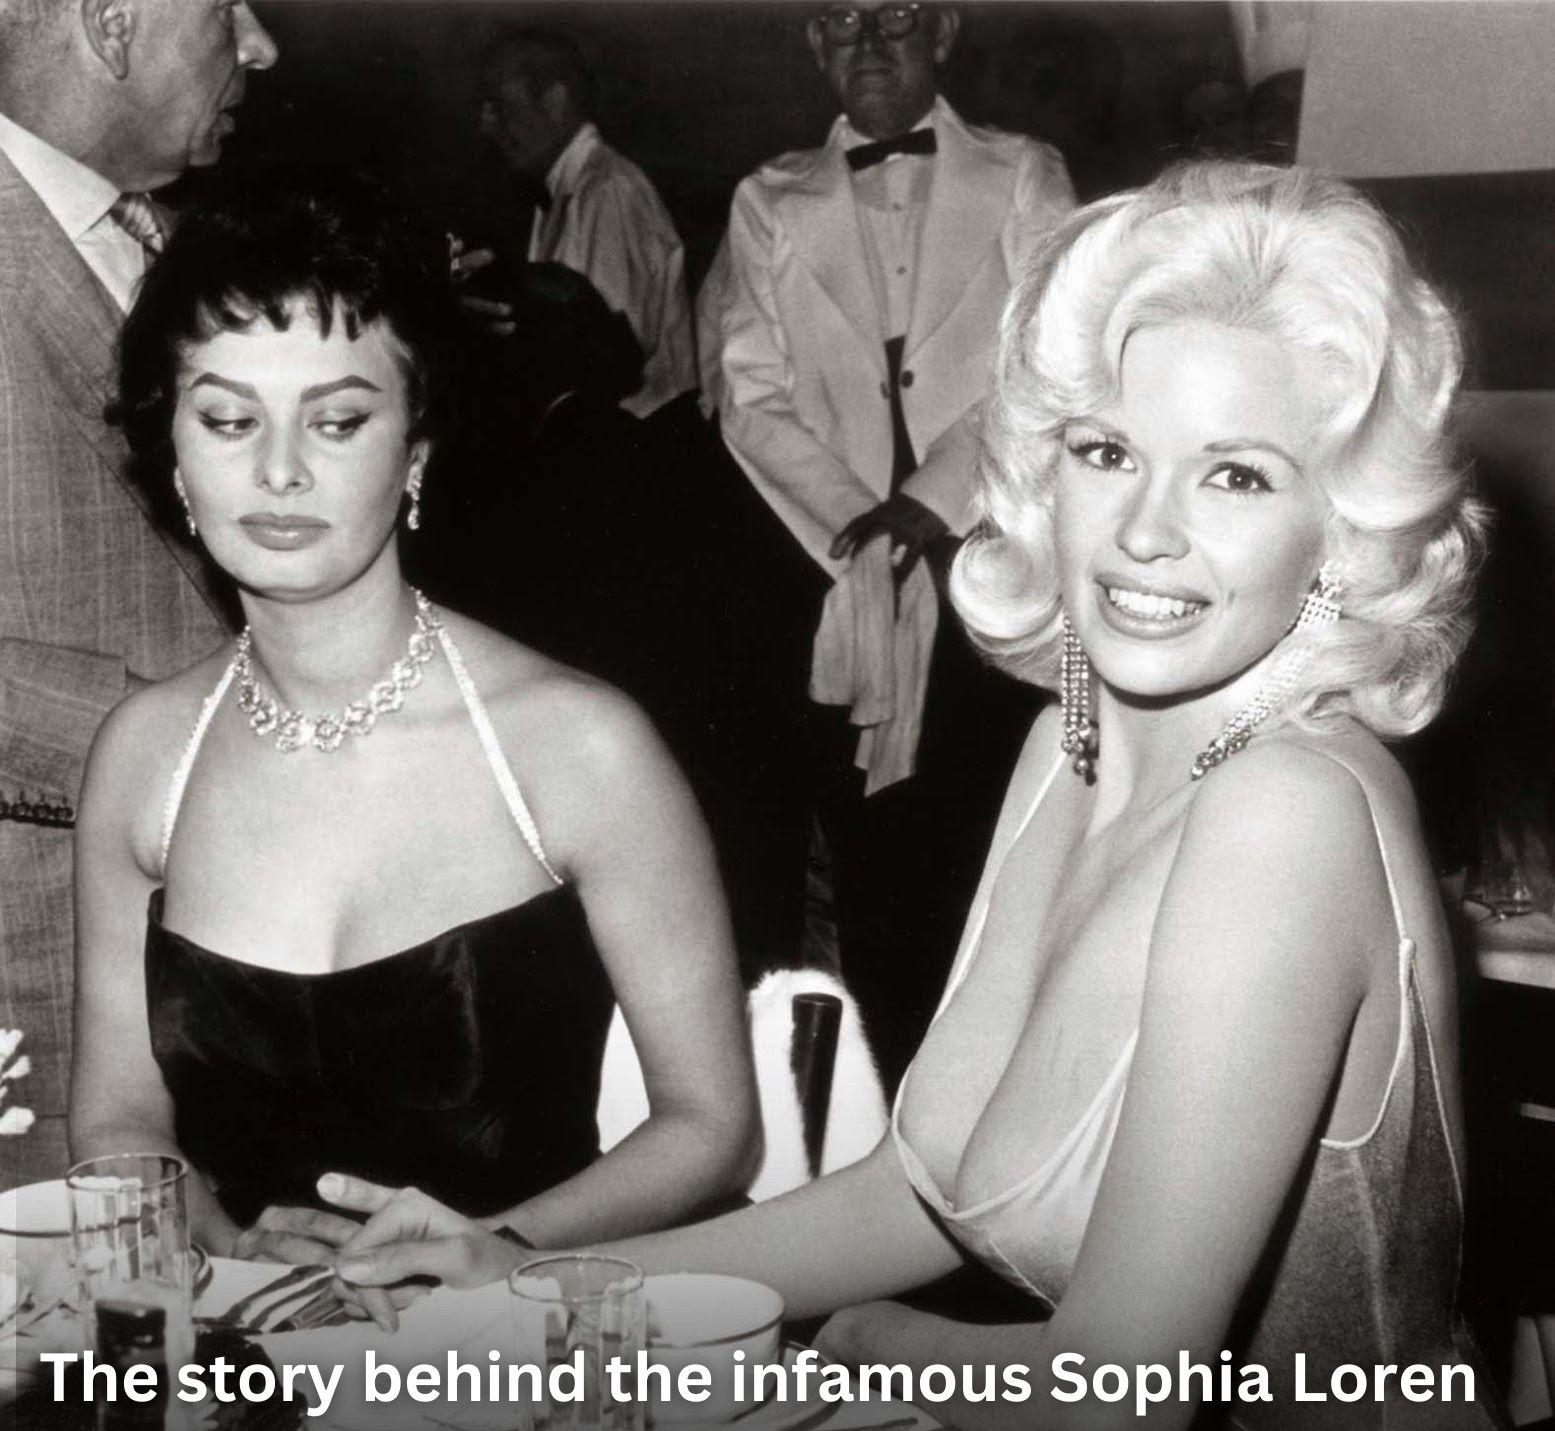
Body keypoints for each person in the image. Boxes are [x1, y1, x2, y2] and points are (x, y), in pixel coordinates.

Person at [324, 162, 1548, 1431]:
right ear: (1038, 470)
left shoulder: (1286, 810)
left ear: (1339, 530)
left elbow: (1105, 1414)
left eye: (1236, 475)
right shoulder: (1069, 747)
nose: (1146, 531)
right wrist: (536, 1282)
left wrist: (861, 1345)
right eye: (1106, 452)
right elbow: (920, 1192)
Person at [67, 166, 759, 1270]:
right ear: (175, 457)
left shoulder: (575, 744)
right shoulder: (143, 755)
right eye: (229, 419)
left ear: (417, 450)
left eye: (338, 421)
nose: (279, 470)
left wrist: (496, 1248)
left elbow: (711, 1128)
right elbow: (117, 1118)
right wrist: (225, 1249)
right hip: (239, 1342)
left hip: (511, 1342)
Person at [700, 2, 1076, 1087]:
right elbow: (748, 393)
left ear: (945, 32)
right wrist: (857, 524)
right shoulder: (768, 198)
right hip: (830, 564)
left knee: (990, 846)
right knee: (864, 863)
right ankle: (889, 1110)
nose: (868, 44)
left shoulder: (1021, 174)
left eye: (896, 16)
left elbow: (1053, 358)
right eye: (841, 20)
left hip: (988, 558)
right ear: (813, 44)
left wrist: (931, 502)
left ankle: (999, 1097)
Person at [0, 0, 278, 1184]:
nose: (261, 45)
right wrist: (184, 744)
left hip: (208, 959)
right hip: (36, 963)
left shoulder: (163, 239)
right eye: (228, 7)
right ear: (113, 27)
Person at [476, 28, 695, 419]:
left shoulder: (608, 191)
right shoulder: (566, 193)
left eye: (499, 107)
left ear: (556, 101)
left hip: (630, 442)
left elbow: (610, 362)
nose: (485, 125)